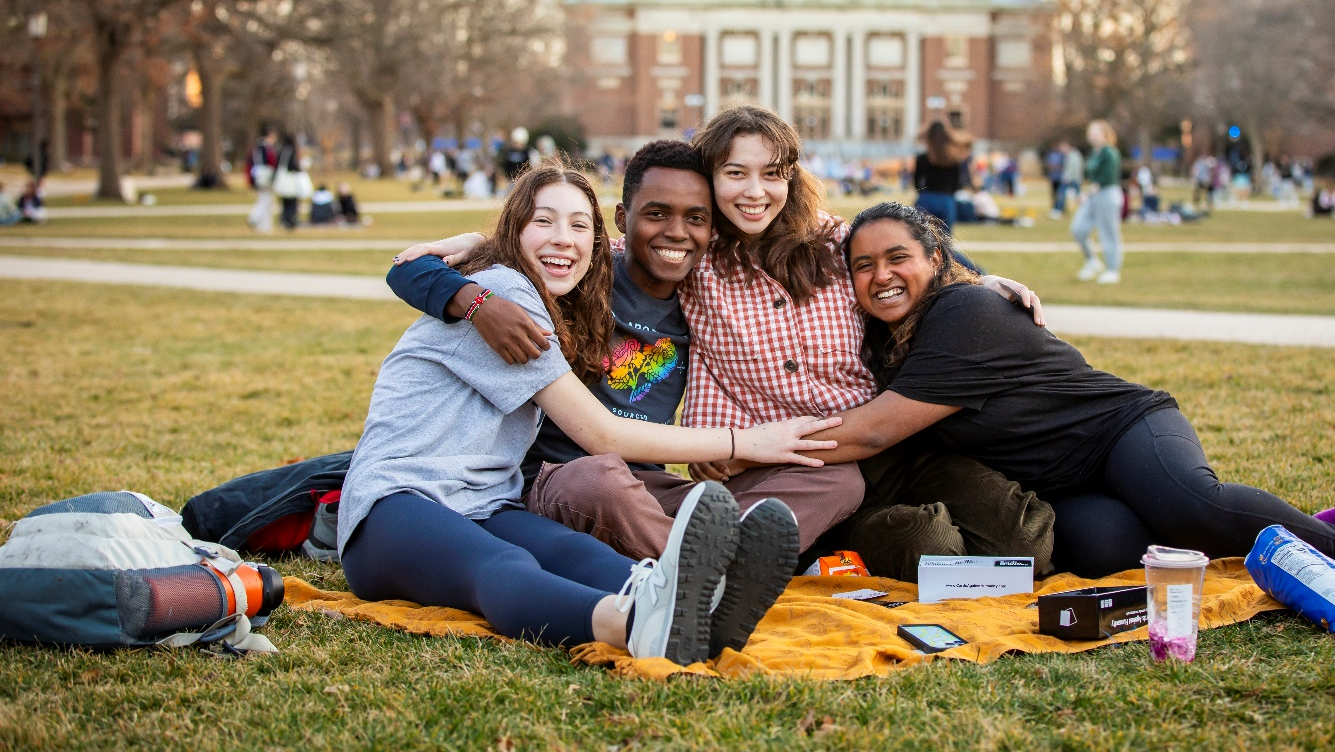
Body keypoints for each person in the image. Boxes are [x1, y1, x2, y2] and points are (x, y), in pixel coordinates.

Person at [406, 108, 1056, 582]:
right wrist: (476, 262)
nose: (753, 190)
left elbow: (900, 246)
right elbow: (530, 250)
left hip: (778, 464)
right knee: (603, 477)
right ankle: (720, 575)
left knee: (874, 492)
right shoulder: (641, 264)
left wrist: (973, 276)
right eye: (735, 173)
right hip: (620, 472)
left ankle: (721, 565)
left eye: (770, 173)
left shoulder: (774, 254)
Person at [340, 161, 841, 665]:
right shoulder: (507, 294)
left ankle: (697, 604)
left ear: (598, 245)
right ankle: (635, 623)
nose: (563, 239)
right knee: (502, 563)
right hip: (392, 507)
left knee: (573, 553)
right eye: (544, 222)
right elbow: (600, 432)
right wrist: (745, 442)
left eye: (579, 226)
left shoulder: (562, 299)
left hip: (487, 503)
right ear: (513, 231)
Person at [815, 201, 1335, 577]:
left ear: (937, 259)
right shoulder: (885, 341)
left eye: (898, 258)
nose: (881, 275)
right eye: (863, 266)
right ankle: (1273, 525)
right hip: (1058, 483)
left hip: (1119, 430)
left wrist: (748, 446)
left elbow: (872, 432)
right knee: (1104, 553)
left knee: (1190, 506)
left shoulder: (965, 312)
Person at [389, 141, 863, 563]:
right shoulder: (579, 274)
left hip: (645, 488)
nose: (676, 232)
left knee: (840, 481)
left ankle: (710, 560)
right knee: (600, 480)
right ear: (622, 219)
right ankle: (704, 573)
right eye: (657, 214)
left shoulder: (704, 300)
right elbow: (409, 272)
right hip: (559, 482)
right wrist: (479, 283)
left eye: (695, 218)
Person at [1071, 119, 1123, 284]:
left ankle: (1112, 269)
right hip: (1093, 195)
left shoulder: (1109, 152)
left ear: (1104, 134)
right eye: (1090, 133)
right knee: (1078, 229)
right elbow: (1090, 176)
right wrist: (1085, 193)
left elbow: (1107, 177)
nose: (1092, 136)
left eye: (1096, 133)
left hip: (1106, 194)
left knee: (1107, 232)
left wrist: (1088, 192)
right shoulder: (1095, 153)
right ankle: (1092, 261)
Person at [912, 121, 969, 235]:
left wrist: (923, 192)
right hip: (946, 199)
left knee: (921, 238)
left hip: (926, 198)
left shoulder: (923, 158)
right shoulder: (953, 159)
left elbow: (917, 182)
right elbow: (959, 182)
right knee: (945, 241)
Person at [246, 126, 278, 233]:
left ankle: (263, 225)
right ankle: (254, 218)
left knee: (264, 200)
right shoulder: (264, 148)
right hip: (264, 176)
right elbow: (269, 163)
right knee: (265, 200)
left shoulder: (258, 147)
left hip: (259, 175)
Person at [274, 134, 302, 230]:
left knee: (284, 202)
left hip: (282, 181)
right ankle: (291, 220)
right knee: (292, 201)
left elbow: (277, 164)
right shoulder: (291, 150)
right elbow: (293, 165)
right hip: (290, 181)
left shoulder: (281, 150)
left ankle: (284, 219)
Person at [1057, 141, 1082, 217]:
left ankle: (1058, 210)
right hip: (1071, 179)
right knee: (1074, 196)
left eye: (1062, 148)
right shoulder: (1068, 155)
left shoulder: (1074, 155)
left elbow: (1074, 168)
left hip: (1072, 179)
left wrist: (1068, 177)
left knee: (1063, 194)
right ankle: (1060, 210)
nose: (1061, 150)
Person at [1044, 145, 1065, 217]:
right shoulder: (1051, 155)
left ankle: (1060, 208)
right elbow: (1048, 165)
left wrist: (1057, 167)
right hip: (1053, 178)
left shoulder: (1061, 155)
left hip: (1060, 178)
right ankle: (1054, 207)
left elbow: (1063, 165)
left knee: (1060, 194)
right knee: (1053, 194)